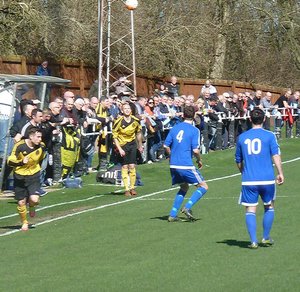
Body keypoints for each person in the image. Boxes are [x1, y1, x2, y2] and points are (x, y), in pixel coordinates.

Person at [235, 108, 284, 249]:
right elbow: (275, 155)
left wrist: (243, 172)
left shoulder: (242, 137)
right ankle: (266, 237)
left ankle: (253, 241)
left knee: (250, 209)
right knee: (269, 206)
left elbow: (238, 160)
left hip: (249, 180)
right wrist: (280, 172)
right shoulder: (269, 136)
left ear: (250, 120)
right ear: (264, 120)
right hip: (267, 179)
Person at [164, 105, 208, 222]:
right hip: (185, 164)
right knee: (203, 186)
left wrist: (170, 156)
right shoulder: (195, 130)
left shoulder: (174, 128)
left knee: (184, 186)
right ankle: (187, 207)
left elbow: (165, 145)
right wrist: (199, 160)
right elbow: (195, 150)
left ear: (183, 115)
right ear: (194, 116)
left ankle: (173, 214)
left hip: (173, 164)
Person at [7, 127, 45, 231]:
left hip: (33, 176)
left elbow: (41, 159)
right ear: (31, 137)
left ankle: (32, 206)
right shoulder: (19, 146)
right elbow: (9, 161)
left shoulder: (41, 147)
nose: (40, 139)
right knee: (21, 202)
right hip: (19, 177)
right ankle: (24, 222)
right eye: (38, 137)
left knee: (34, 199)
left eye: (41, 137)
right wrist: (21, 162)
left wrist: (37, 169)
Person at [112, 103, 143, 196]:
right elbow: (114, 136)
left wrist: (140, 145)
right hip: (122, 145)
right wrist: (119, 149)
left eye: (128, 108)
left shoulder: (136, 120)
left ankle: (132, 187)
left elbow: (138, 133)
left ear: (131, 110)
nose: (127, 110)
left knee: (132, 166)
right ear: (122, 110)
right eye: (124, 108)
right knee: (125, 166)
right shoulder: (118, 121)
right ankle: (126, 188)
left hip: (132, 144)